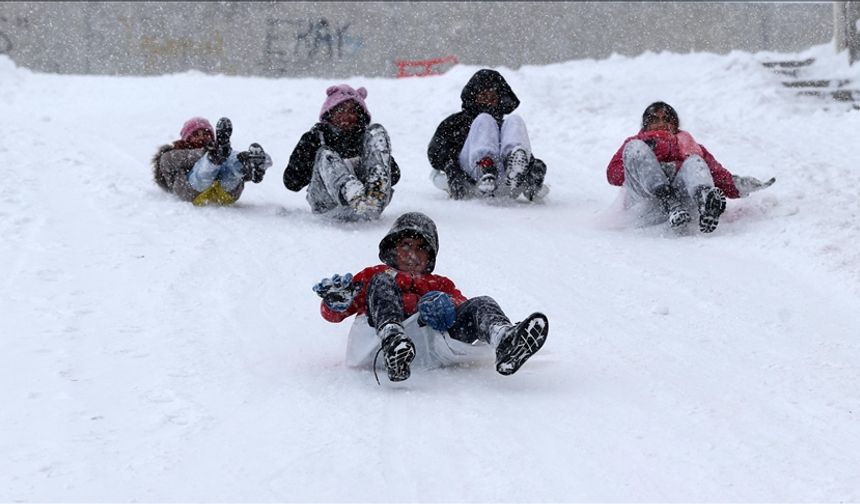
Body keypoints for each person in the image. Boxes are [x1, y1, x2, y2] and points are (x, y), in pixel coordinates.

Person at [311, 211, 550, 383]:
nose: (412, 254)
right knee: (382, 283)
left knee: (481, 303)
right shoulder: (376, 274)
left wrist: (446, 306)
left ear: (430, 255)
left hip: (429, 348)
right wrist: (335, 302)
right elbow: (336, 314)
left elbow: (461, 306)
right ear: (392, 248)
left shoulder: (441, 283)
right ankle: (393, 340)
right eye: (405, 244)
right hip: (379, 345)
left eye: (420, 248)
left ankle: (505, 340)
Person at [606, 101, 775, 233]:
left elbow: (715, 173)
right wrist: (648, 162)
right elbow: (613, 176)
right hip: (645, 202)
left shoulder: (689, 144)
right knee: (634, 149)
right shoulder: (636, 143)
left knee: (695, 161)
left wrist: (739, 185)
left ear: (675, 125)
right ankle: (668, 201)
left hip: (683, 205)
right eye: (655, 120)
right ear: (646, 125)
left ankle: (705, 202)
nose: (661, 124)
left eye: (666, 119)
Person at [427, 68, 548, 201]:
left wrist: (533, 167)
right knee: (484, 119)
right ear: (474, 97)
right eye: (484, 97)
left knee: (515, 120)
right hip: (472, 175)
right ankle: (486, 166)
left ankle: (514, 170)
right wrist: (451, 168)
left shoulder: (504, 125)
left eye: (492, 97)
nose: (488, 101)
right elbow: (435, 152)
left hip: (506, 179)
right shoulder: (457, 122)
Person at [283, 84, 400, 221]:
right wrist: (310, 155)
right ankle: (350, 191)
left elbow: (395, 176)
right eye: (340, 110)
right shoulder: (316, 137)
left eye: (353, 111)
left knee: (377, 131)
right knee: (326, 154)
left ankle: (375, 189)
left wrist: (372, 162)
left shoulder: (366, 140)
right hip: (328, 206)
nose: (347, 116)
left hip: (370, 204)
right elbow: (291, 183)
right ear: (329, 113)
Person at [152, 116, 272, 206]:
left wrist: (249, 172)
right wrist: (205, 153)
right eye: (196, 134)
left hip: (226, 193)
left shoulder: (221, 151)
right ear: (186, 138)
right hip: (193, 193)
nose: (202, 137)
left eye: (206, 133)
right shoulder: (177, 152)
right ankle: (212, 160)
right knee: (203, 170)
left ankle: (251, 164)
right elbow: (167, 161)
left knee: (231, 167)